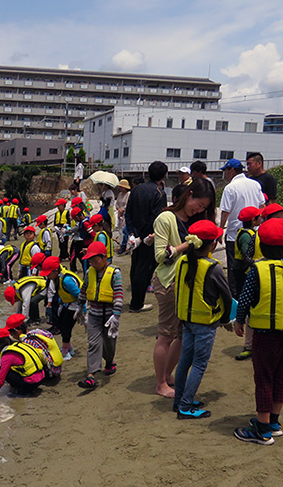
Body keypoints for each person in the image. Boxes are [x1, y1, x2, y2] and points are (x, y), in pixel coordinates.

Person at [232, 218, 283, 444]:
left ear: (261, 246)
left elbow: (245, 298)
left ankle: (263, 430)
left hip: (265, 334)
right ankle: (274, 421)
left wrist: (239, 320)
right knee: (281, 376)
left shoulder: (258, 269)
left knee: (264, 378)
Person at [152, 178, 214, 398]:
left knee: (181, 334)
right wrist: (189, 243)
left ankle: (168, 375)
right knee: (166, 334)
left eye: (204, 208)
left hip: (187, 286)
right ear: (189, 194)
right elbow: (160, 256)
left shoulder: (196, 220)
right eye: (199, 204)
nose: (199, 209)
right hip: (169, 282)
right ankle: (160, 383)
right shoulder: (166, 218)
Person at [173, 220, 232, 419]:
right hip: (205, 324)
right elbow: (226, 295)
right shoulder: (213, 267)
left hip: (187, 320)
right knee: (199, 364)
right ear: (213, 245)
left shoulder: (182, 261)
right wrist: (225, 319)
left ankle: (179, 399)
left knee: (185, 361)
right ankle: (186, 406)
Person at [75, 241, 123, 390]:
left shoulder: (115, 273)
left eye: (95, 260)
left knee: (109, 345)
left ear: (104, 258)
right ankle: (91, 376)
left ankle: (109, 362)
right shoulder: (90, 272)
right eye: (91, 261)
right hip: (94, 315)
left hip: (109, 317)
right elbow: (84, 289)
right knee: (94, 343)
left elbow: (119, 294)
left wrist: (116, 315)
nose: (93, 263)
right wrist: (79, 306)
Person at [124, 161, 168, 312]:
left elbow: (128, 212)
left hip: (134, 235)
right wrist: (142, 237)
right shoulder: (159, 192)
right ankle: (137, 303)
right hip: (147, 237)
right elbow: (156, 218)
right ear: (163, 175)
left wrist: (131, 233)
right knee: (144, 269)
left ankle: (135, 301)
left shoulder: (136, 190)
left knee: (135, 266)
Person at [219, 158, 265, 295]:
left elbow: (225, 212)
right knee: (253, 264)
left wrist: (220, 229)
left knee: (234, 269)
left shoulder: (230, 188)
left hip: (235, 234)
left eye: (226, 171)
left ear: (231, 170)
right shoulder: (255, 184)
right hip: (254, 233)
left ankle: (235, 297)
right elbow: (262, 206)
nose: (225, 174)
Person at [232, 206, 262, 361]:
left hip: (245, 270)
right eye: (258, 217)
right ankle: (249, 344)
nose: (260, 219)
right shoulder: (246, 236)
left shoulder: (248, 233)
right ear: (253, 220)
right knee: (248, 302)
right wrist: (258, 264)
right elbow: (246, 255)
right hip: (243, 272)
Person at [41, 256, 83, 360]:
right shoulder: (56, 278)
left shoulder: (67, 280)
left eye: (48, 273)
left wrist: (83, 310)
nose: (47, 276)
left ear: (55, 271)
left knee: (66, 328)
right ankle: (69, 348)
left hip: (75, 305)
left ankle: (65, 353)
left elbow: (79, 295)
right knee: (60, 324)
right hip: (67, 304)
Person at [0, 328, 46, 396]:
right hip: (42, 377)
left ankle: (21, 390)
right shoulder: (20, 344)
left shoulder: (7, 355)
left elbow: (0, 380)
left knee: (1, 369)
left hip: (31, 383)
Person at [6, 313, 63, 378]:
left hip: (50, 372)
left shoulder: (26, 342)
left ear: (17, 331)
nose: (12, 336)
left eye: (11, 334)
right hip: (57, 368)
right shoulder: (38, 332)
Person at [115, 179, 132, 254]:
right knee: (120, 230)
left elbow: (127, 205)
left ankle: (125, 246)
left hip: (125, 214)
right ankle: (122, 245)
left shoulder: (128, 194)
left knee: (125, 230)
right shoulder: (120, 194)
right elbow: (117, 203)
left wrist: (122, 211)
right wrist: (118, 209)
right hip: (119, 213)